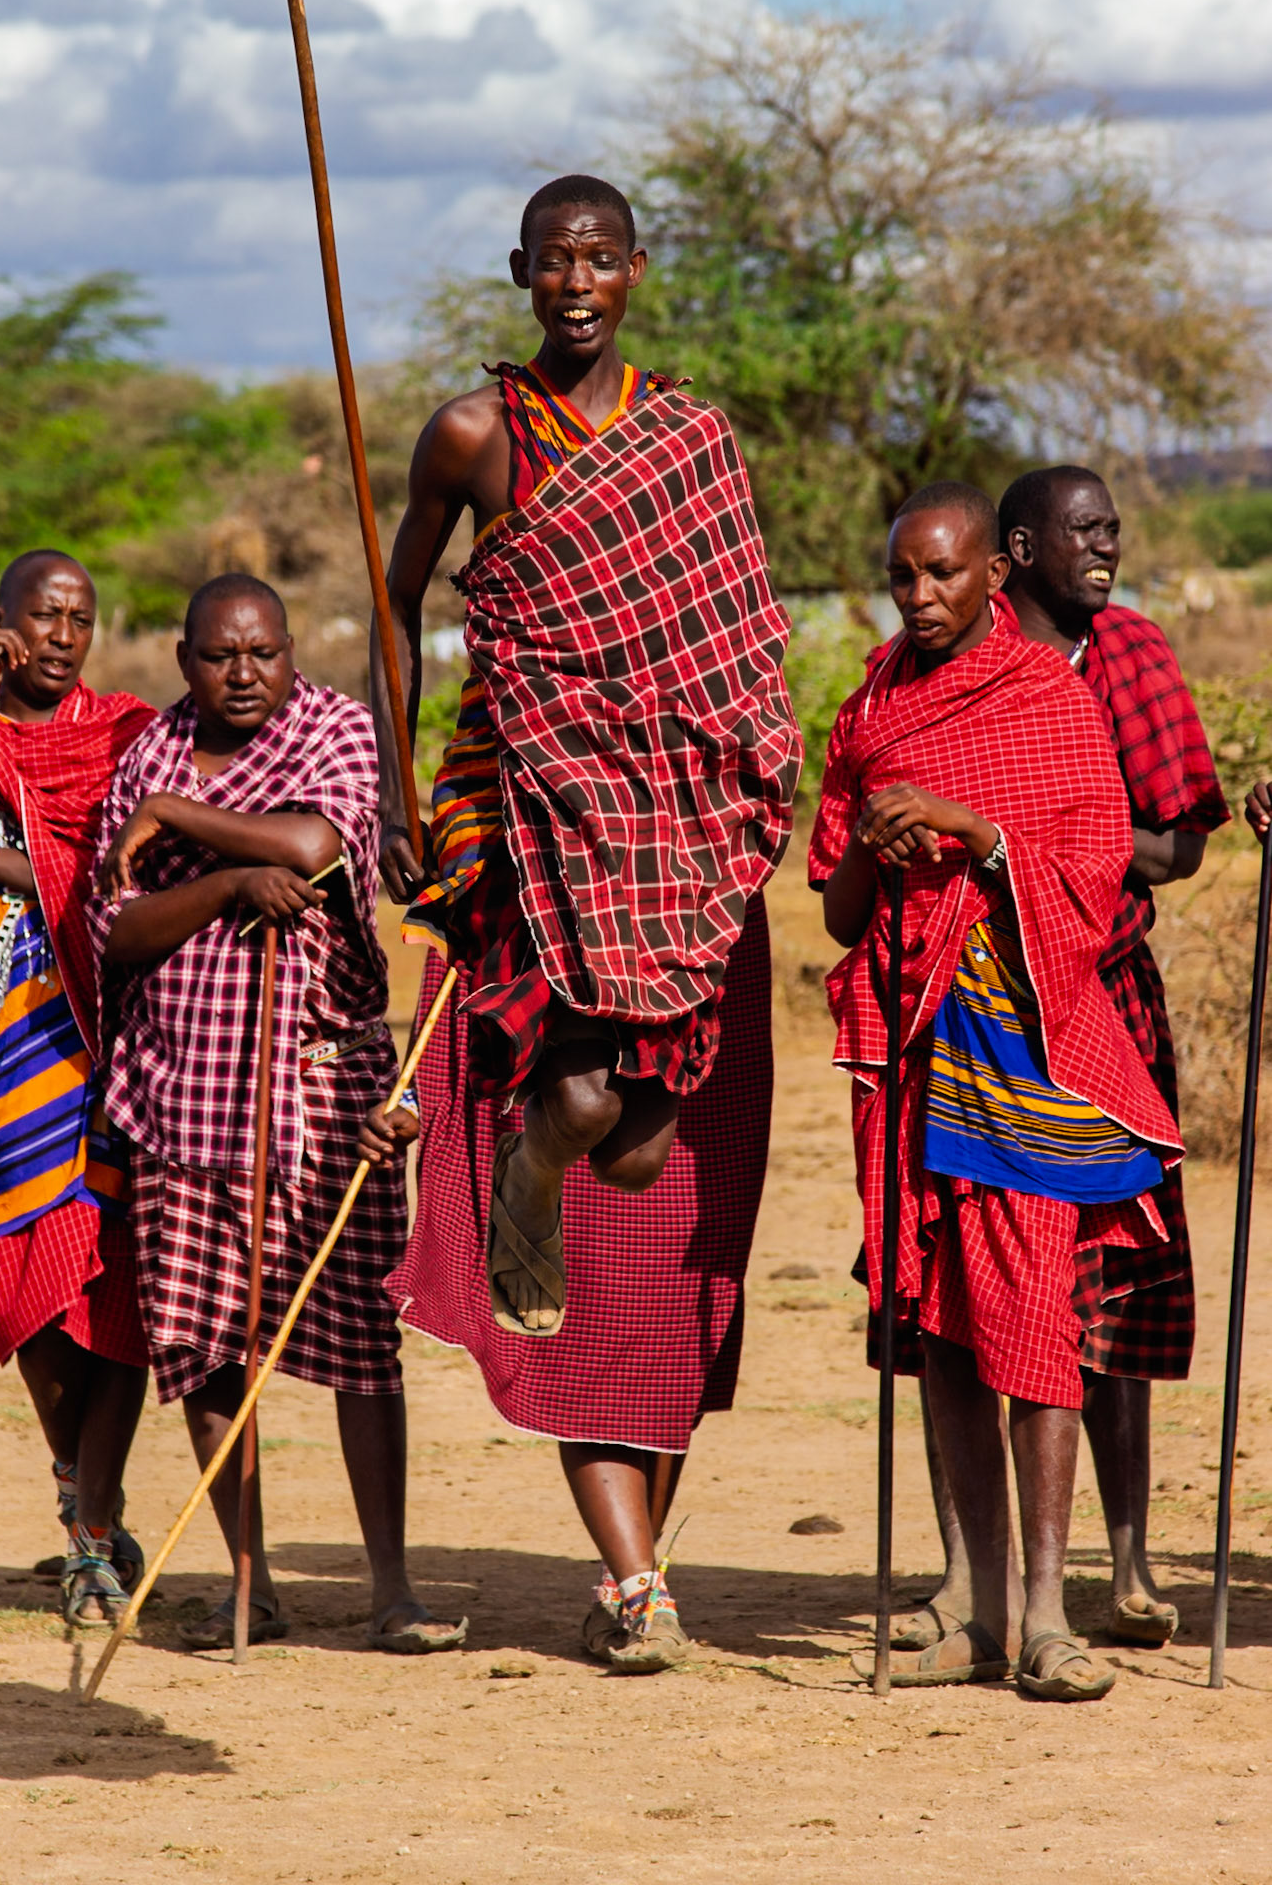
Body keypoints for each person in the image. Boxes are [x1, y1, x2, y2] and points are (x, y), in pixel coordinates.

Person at [375, 173, 800, 1670]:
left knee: (647, 1136)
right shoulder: (475, 434)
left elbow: (736, 628)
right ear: (517, 274)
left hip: (675, 825)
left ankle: (568, 1175)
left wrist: (755, 764)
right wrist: (389, 790)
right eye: (551, 261)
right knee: (573, 1091)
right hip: (526, 794)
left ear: (635, 273)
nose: (576, 283)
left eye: (600, 260)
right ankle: (518, 1187)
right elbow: (395, 602)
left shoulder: (690, 439)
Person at [810, 483, 1182, 1700]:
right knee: (944, 1325)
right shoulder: (871, 705)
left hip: (1023, 1047)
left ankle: (1046, 1611)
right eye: (902, 576)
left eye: (942, 574)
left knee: (1036, 1323)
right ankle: (970, 1606)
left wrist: (973, 831)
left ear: (991, 576)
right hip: (912, 1047)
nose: (920, 597)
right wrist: (875, 840)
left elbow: (1094, 880)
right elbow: (839, 911)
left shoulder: (1052, 704)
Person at [88, 574, 465, 1655]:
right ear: (182, 658)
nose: (245, 672)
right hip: (182, 1088)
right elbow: (114, 928)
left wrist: (178, 828)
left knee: (358, 1345)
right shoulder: (148, 756)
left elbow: (318, 847)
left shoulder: (336, 727)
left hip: (319, 1085)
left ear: (291, 650)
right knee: (209, 1350)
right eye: (220, 655)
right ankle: (250, 1581)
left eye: (264, 651)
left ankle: (391, 1584)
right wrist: (217, 885)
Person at [893, 466, 1228, 1657]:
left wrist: (1040, 839)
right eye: (1083, 532)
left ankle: (1123, 1555)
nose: (1109, 548)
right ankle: (965, 1574)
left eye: (1115, 529)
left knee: (1107, 1284)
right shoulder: (914, 683)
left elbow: (1178, 840)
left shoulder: (1123, 660)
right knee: (944, 1292)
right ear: (1016, 553)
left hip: (1095, 990)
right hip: (940, 1008)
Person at [0, 551, 153, 1625]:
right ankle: (80, 1483)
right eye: (44, 616)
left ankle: (90, 1525)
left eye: (81, 619)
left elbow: (135, 867)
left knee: (117, 1279)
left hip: (117, 1036)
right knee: (21, 1281)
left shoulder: (128, 735)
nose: (62, 635)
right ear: (1, 619)